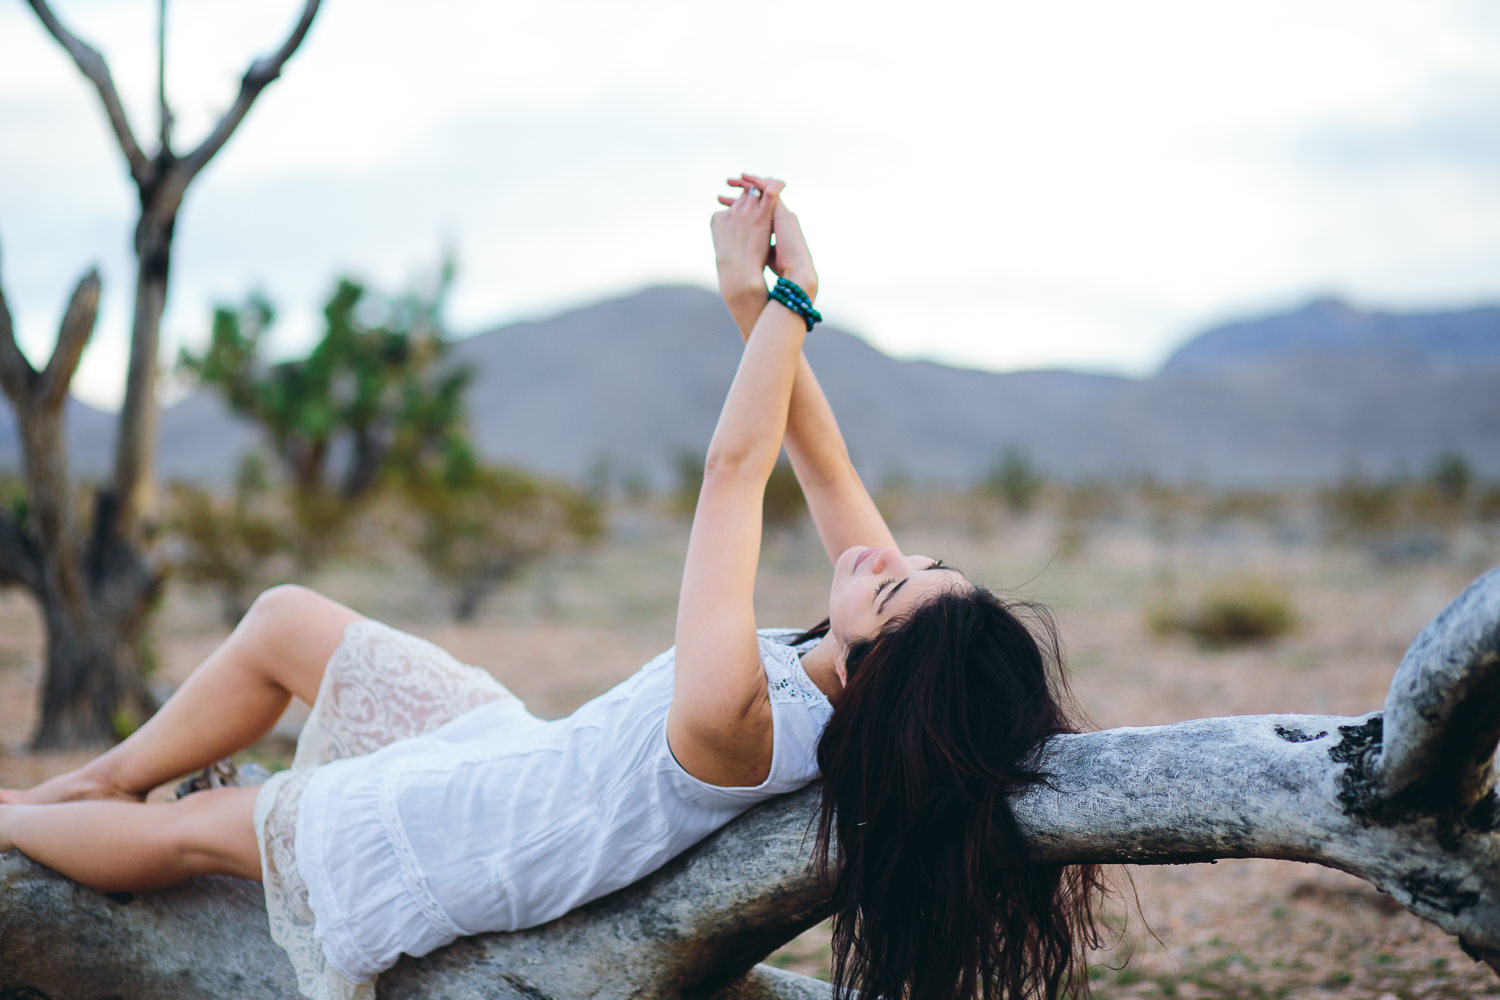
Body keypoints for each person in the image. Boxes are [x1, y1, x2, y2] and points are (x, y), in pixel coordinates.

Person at [0, 175, 1103, 1000]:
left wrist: (797, 304)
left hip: (485, 834)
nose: (883, 560)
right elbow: (824, 467)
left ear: (887, 669)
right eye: (919, 561)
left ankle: (21, 818)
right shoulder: (845, 658)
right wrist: (754, 302)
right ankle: (82, 789)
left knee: (204, 837)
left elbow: (735, 473)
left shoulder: (743, 719)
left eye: (901, 589)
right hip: (525, 755)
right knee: (289, 617)